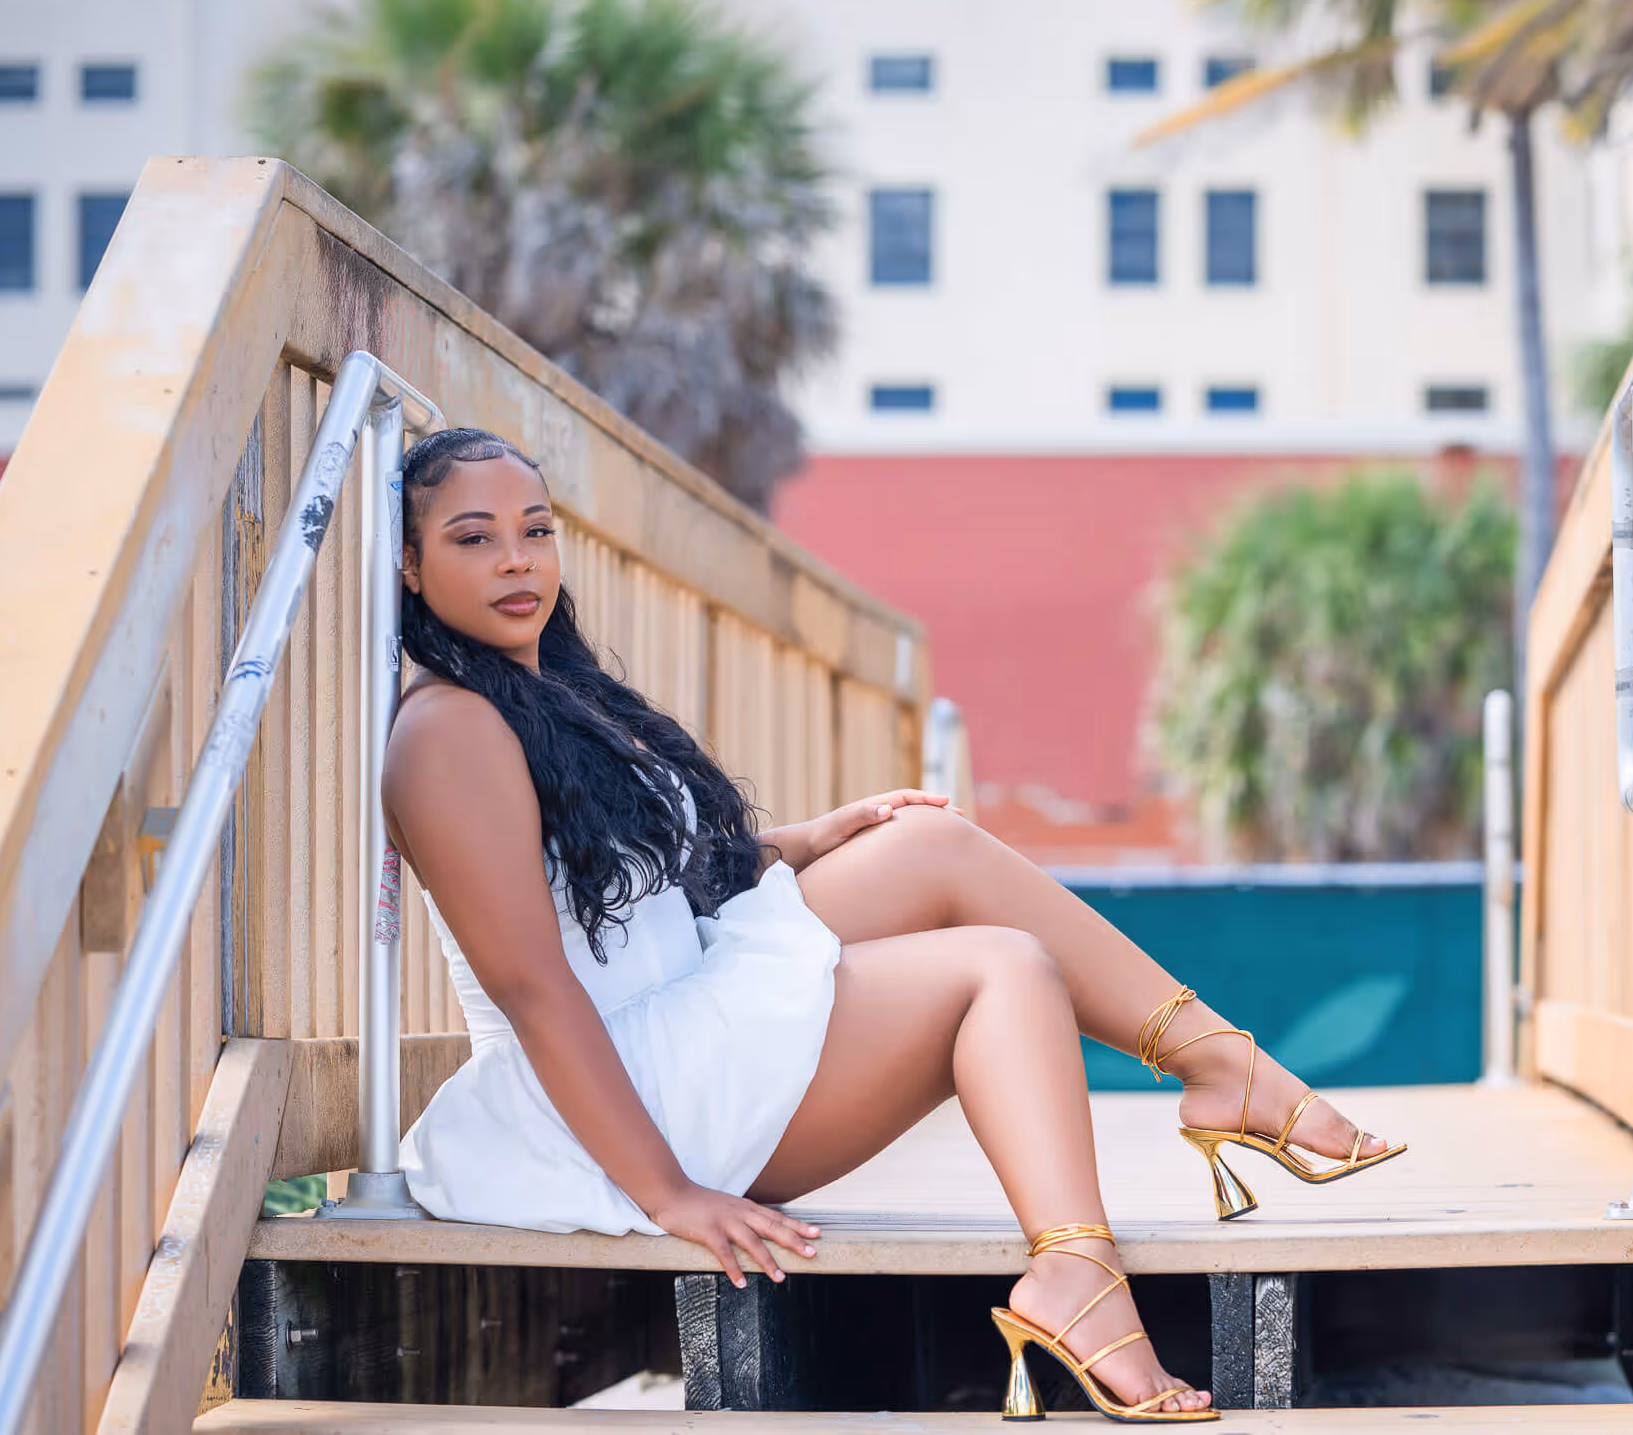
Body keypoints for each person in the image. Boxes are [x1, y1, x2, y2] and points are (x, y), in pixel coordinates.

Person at [383, 428, 1405, 1424]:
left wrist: (807, 839)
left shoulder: (534, 691)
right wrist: (668, 1192)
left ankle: (1221, 1067)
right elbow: (533, 984)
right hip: (617, 1103)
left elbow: (643, 884)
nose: (517, 559)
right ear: (411, 566)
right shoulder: (446, 732)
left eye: (536, 528)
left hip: (672, 1016)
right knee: (998, 969)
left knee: (930, 844)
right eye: (472, 538)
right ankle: (1076, 1270)